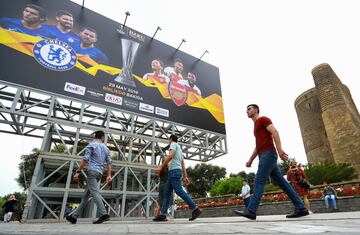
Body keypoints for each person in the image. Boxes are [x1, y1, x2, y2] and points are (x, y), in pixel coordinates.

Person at [233, 104, 309, 220]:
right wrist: (251, 159)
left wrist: (279, 149)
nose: (246, 111)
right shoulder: (255, 126)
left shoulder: (263, 119)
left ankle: (251, 210)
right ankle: (301, 208)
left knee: (259, 180)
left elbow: (275, 132)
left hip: (268, 154)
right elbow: (258, 146)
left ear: (256, 110)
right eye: (246, 110)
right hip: (264, 155)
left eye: (249, 109)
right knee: (282, 183)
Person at [66, 130, 112, 224]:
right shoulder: (106, 148)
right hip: (99, 173)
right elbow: (109, 162)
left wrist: (78, 172)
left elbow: (85, 160)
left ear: (95, 137)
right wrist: (109, 175)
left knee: (94, 192)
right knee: (85, 196)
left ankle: (103, 214)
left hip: (92, 172)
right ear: (102, 137)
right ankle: (74, 217)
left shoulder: (91, 145)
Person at [153, 135, 202, 221]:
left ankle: (195, 208)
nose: (168, 141)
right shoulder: (179, 149)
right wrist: (185, 176)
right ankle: (163, 214)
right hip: (176, 172)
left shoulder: (173, 144)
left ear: (171, 139)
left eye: (168, 140)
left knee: (179, 191)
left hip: (174, 172)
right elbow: (182, 163)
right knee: (167, 192)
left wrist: (161, 167)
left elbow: (170, 155)